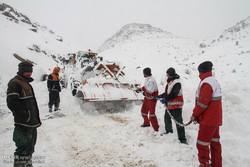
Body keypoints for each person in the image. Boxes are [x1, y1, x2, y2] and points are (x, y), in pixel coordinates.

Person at [6, 61, 41, 166]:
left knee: (29, 148)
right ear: (21, 71)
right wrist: (24, 115)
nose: (29, 74)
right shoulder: (15, 83)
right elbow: (12, 103)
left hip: (31, 123)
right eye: (26, 71)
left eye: (30, 71)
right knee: (22, 149)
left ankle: (27, 165)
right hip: (23, 124)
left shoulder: (25, 83)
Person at [190, 61, 222, 167]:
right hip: (214, 119)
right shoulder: (213, 81)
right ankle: (217, 164)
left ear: (200, 71)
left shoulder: (206, 83)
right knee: (215, 143)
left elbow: (202, 103)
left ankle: (204, 164)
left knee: (202, 144)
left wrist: (194, 115)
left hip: (208, 120)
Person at [156, 67, 187, 144]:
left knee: (178, 122)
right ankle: (169, 131)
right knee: (167, 118)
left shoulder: (177, 83)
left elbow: (174, 94)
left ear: (171, 75)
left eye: (167, 75)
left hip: (176, 106)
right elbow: (169, 93)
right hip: (170, 105)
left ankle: (182, 139)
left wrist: (165, 99)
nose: (166, 76)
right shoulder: (171, 82)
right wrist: (161, 95)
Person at [136, 67, 159, 132]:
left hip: (152, 99)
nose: (143, 74)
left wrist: (144, 93)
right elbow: (146, 87)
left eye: (143, 73)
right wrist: (140, 89)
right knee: (143, 111)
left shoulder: (151, 80)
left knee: (152, 114)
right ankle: (146, 123)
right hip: (147, 98)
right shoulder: (147, 79)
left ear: (146, 73)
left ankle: (156, 128)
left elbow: (150, 92)